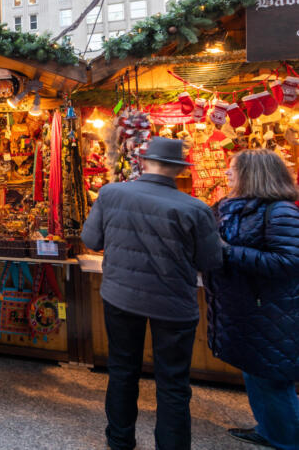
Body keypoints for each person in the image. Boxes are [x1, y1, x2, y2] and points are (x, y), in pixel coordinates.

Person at [81, 137, 222, 450]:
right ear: (178, 169)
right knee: (173, 383)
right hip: (173, 303)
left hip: (121, 297)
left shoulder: (111, 193)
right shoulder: (196, 209)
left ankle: (119, 439)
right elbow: (210, 261)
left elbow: (91, 239)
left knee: (122, 370)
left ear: (143, 162)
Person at [207, 149, 299, 450]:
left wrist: (228, 252)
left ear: (252, 173)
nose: (227, 173)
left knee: (273, 379)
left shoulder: (281, 211)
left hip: (272, 312)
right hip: (247, 308)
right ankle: (270, 429)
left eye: (233, 168)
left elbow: (288, 262)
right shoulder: (231, 207)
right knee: (257, 374)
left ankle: (287, 439)